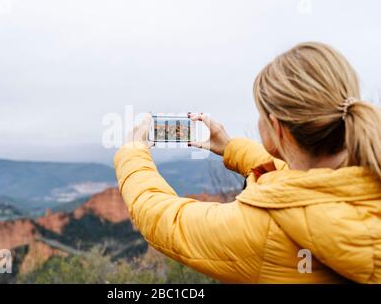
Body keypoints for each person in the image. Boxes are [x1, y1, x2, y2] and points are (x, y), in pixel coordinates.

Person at [113, 42, 381, 283]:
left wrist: (133, 153)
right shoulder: (369, 174)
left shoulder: (264, 230)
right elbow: (305, 184)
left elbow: (165, 221)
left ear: (276, 128)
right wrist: (232, 148)